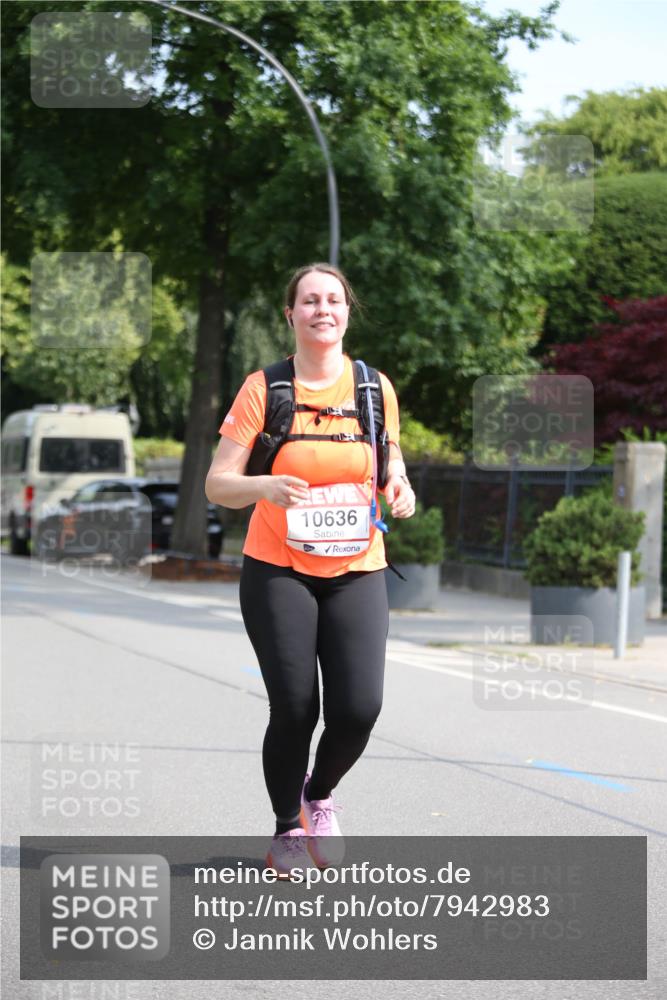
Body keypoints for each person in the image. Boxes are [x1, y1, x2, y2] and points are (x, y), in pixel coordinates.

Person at [205, 263, 415, 877]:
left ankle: (318, 796)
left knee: (359, 708)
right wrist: (264, 485)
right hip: (278, 570)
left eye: (334, 300)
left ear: (347, 312)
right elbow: (219, 484)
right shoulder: (264, 389)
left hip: (357, 566)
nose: (324, 309)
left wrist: (398, 485)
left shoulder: (375, 389)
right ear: (290, 314)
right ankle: (285, 830)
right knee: (296, 706)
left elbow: (389, 461)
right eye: (310, 300)